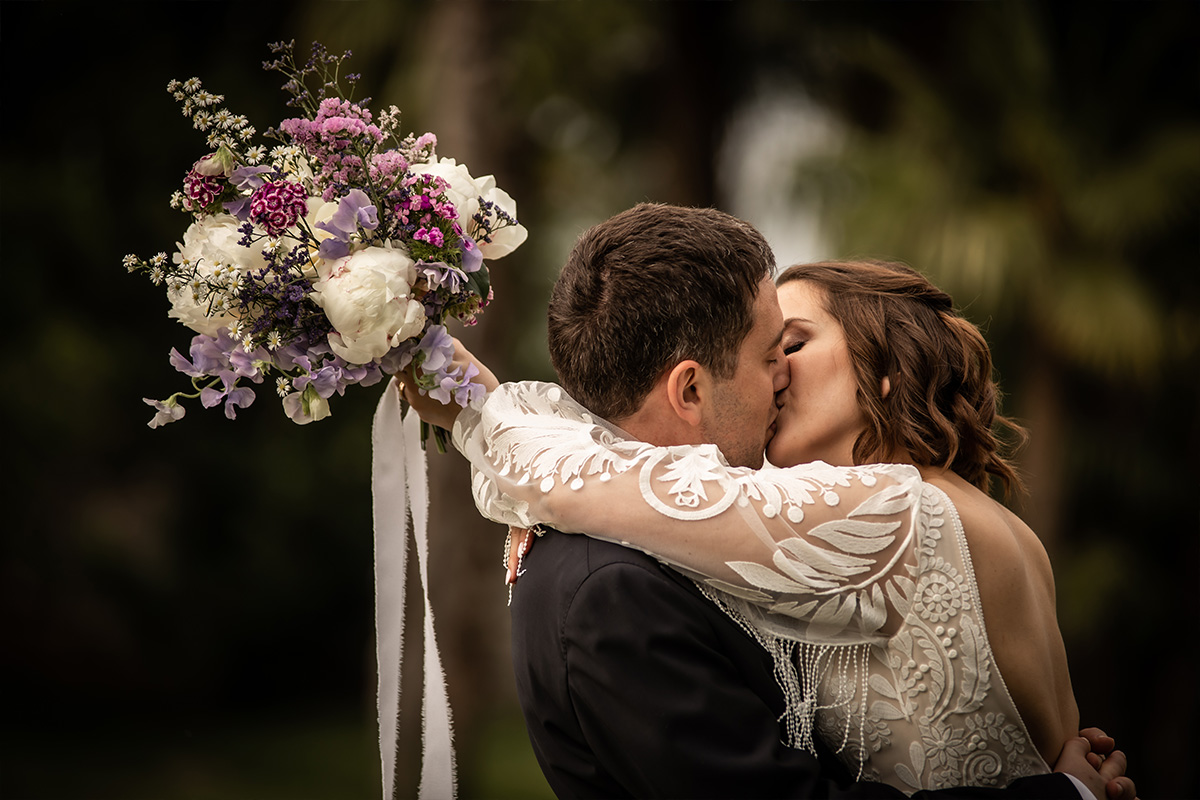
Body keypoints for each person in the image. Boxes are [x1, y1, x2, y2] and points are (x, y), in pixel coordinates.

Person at [403, 203, 1134, 799]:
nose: (779, 371)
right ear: (691, 387)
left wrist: (484, 413)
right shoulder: (912, 509)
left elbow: (638, 491)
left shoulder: (895, 508)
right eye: (769, 351)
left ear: (884, 370)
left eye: (794, 342)